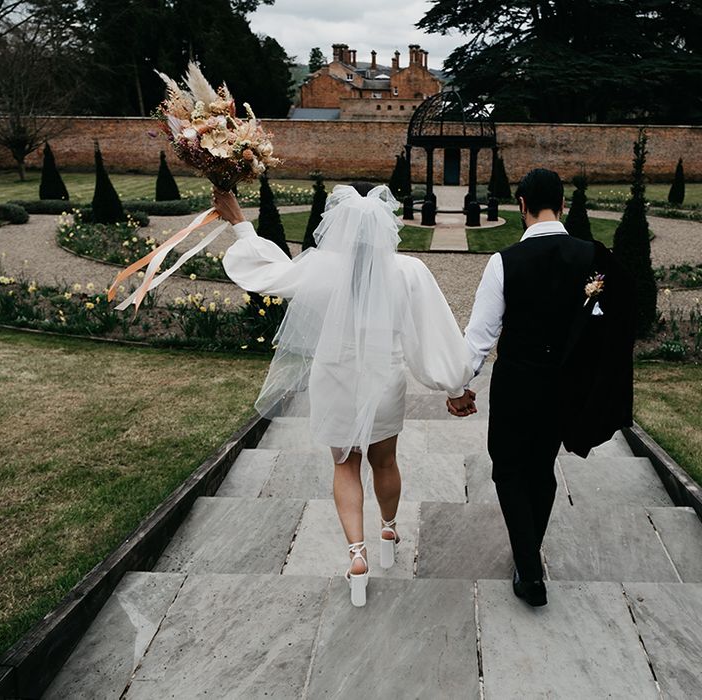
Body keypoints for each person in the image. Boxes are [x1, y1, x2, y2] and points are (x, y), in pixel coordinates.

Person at [214, 182, 474, 607]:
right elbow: (433, 334)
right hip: (383, 379)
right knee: (385, 459)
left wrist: (241, 224)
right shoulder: (408, 272)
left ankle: (357, 555)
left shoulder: (322, 269)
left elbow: (270, 274)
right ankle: (389, 528)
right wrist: (456, 387)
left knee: (344, 464)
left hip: (334, 377)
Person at [458, 168, 606, 607]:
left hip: (517, 382)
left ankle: (528, 566)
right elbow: (598, 328)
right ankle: (528, 555)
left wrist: (458, 386)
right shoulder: (592, 258)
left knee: (507, 469)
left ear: (521, 205)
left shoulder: (503, 262)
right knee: (541, 468)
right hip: (563, 385)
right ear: (561, 204)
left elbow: (479, 337)